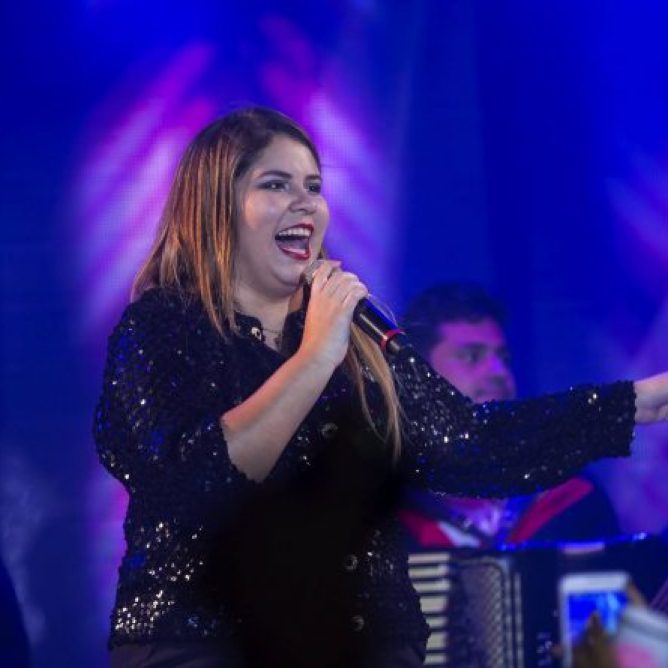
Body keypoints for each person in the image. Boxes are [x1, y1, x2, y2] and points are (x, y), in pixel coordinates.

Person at [93, 106, 668, 668]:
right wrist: (316, 355)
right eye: (276, 184)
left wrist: (638, 401)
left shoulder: (357, 345)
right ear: (216, 206)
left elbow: (472, 444)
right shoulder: (163, 328)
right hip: (208, 643)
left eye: (313, 187)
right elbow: (200, 480)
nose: (306, 203)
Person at [400, 283, 620, 549]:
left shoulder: (572, 498)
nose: (499, 372)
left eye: (504, 358)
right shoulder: (388, 510)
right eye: (471, 356)